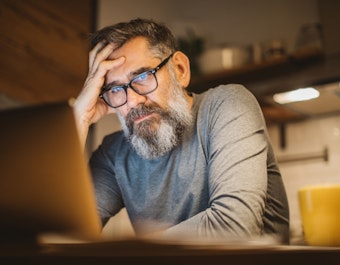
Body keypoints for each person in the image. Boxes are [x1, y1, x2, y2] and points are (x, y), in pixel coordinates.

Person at [73, 18, 290, 243]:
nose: (133, 101)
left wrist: (133, 252)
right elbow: (62, 237)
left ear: (180, 70)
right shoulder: (113, 155)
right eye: (116, 89)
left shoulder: (228, 105)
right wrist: (80, 117)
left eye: (143, 77)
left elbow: (234, 226)